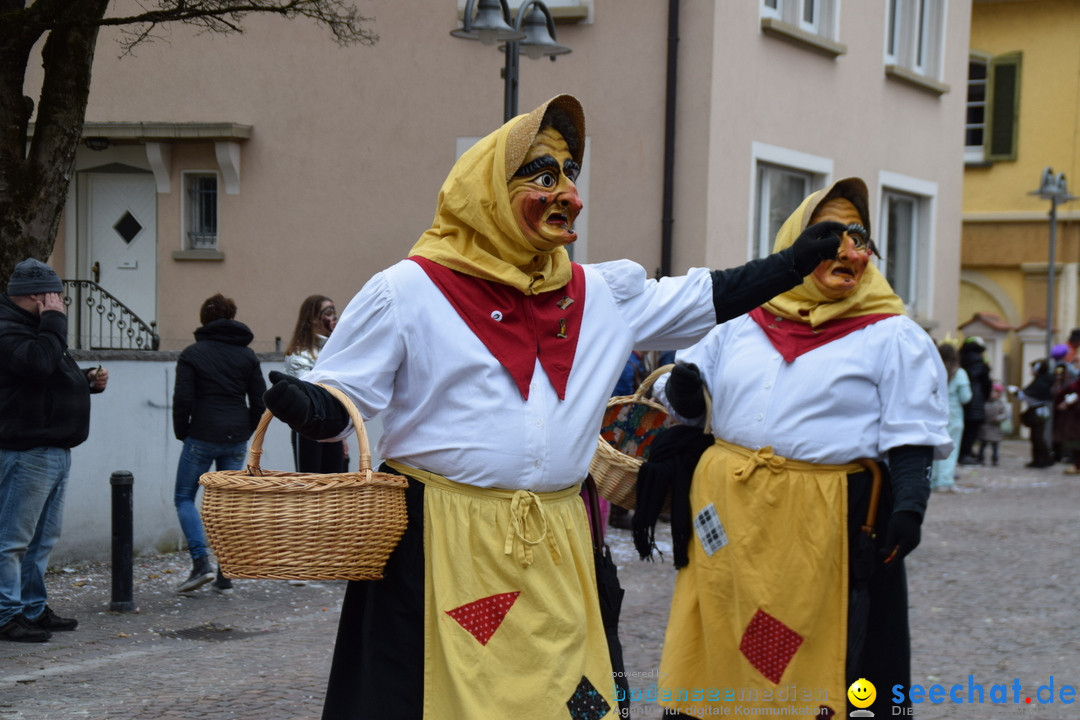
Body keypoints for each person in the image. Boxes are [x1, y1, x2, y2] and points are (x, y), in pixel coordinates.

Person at [260, 94, 845, 719]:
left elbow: (708, 295)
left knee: (571, 693)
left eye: (570, 176)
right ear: (487, 190)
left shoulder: (601, 294)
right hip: (441, 541)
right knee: (436, 695)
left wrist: (794, 262)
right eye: (545, 177)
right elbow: (346, 392)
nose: (570, 195)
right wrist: (311, 406)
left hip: (560, 539)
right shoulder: (409, 290)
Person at [653, 178, 951, 718]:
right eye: (828, 235)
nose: (846, 251)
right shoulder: (740, 320)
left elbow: (912, 433)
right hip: (730, 520)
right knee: (725, 625)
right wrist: (683, 389)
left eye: (858, 238)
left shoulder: (891, 335)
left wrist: (910, 505)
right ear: (796, 244)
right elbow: (687, 409)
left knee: (815, 646)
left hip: (824, 525)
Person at [0, 259, 109, 643]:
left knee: (42, 538)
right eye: (57, 295)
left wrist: (84, 382)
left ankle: (31, 608)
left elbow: (45, 377)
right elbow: (39, 364)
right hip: (27, 450)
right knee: (13, 539)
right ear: (38, 295)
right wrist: (54, 320)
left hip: (52, 448)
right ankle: (5, 614)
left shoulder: (36, 329)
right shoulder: (10, 329)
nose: (61, 303)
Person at [172, 293, 266, 595]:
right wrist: (246, 428)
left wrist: (182, 430)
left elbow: (182, 399)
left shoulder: (192, 354)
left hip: (201, 433)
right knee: (227, 504)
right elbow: (260, 399)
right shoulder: (248, 355)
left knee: (185, 497)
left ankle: (201, 563)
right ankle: (226, 572)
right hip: (235, 436)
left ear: (204, 320)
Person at [283, 295, 347, 474]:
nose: (334, 318)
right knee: (309, 484)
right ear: (312, 318)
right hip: (307, 428)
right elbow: (308, 392)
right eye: (328, 313)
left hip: (333, 428)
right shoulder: (299, 354)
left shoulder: (335, 350)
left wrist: (342, 437)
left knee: (334, 484)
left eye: (335, 312)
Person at [931, 341, 971, 490]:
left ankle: (933, 480)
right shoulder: (959, 373)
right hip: (954, 416)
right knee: (951, 450)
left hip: (936, 414)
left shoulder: (934, 370)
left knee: (935, 449)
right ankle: (945, 480)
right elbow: (966, 397)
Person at [958, 336, 992, 465]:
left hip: (964, 399)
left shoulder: (962, 359)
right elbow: (986, 383)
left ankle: (964, 452)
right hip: (977, 399)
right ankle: (965, 454)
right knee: (972, 429)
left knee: (965, 428)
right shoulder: (980, 362)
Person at [1016, 360, 1054, 469]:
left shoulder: (1041, 382)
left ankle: (1045, 459)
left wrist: (1020, 394)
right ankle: (1038, 459)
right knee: (1035, 437)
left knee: (1038, 437)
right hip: (1036, 410)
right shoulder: (1040, 381)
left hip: (1039, 411)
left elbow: (1030, 394)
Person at [977, 382, 1008, 467]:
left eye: (995, 392)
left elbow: (1005, 414)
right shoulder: (985, 402)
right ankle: (980, 458)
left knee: (995, 446)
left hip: (995, 428)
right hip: (985, 427)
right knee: (983, 444)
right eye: (991, 391)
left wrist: (998, 418)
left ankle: (995, 459)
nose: (992, 393)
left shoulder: (1000, 403)